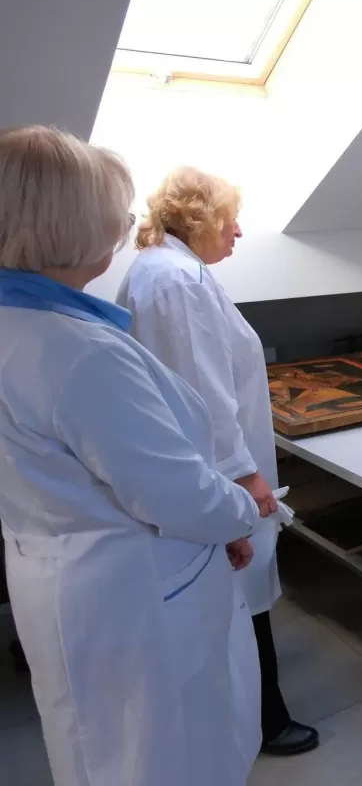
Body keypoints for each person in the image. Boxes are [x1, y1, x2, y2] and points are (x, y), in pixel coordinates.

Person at [0, 125, 278, 785]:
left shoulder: (23, 326)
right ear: (73, 225)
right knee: (164, 755)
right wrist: (243, 510)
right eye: (114, 212)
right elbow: (173, 490)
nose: (125, 226)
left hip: (67, 575)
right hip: (136, 592)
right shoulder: (76, 351)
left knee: (99, 750)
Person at [116, 167, 319, 756]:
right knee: (240, 587)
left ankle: (257, 709)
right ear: (200, 219)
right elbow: (200, 391)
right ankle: (266, 720)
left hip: (203, 468)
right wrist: (245, 475)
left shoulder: (169, 271)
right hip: (215, 470)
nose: (238, 231)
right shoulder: (176, 281)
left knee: (236, 592)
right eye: (230, 219)